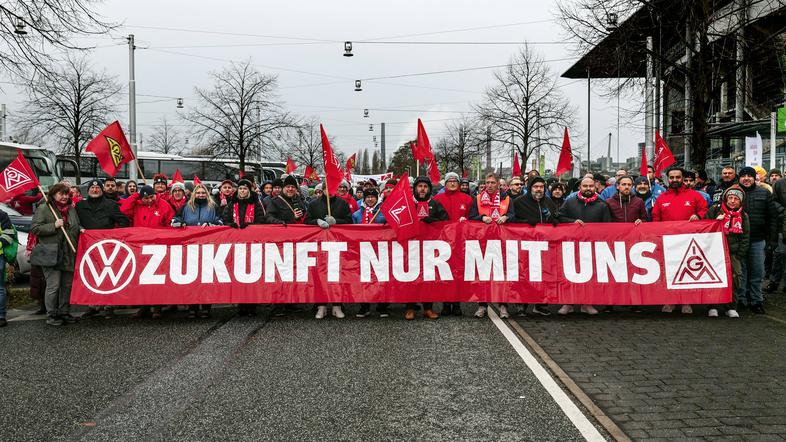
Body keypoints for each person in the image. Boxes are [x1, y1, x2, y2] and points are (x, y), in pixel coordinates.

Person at [652, 167, 708, 314]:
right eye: (672, 177)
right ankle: (669, 301)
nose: (675, 180)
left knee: (687, 273)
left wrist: (699, 216)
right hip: (668, 243)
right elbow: (655, 219)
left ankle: (686, 302)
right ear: (667, 179)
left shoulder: (695, 196)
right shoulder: (662, 198)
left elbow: (705, 210)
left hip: (689, 242)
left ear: (682, 178)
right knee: (669, 273)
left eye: (678, 177)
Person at [75, 179, 130, 320]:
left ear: (102, 190)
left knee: (108, 276)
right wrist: (80, 229)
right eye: (92, 188)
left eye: (97, 188)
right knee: (90, 276)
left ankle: (108, 306)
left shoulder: (110, 205)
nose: (95, 190)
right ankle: (92, 306)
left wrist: (116, 235)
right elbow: (75, 223)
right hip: (88, 248)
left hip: (107, 248)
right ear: (88, 191)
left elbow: (124, 220)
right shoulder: (80, 206)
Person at [557, 177, 609, 315]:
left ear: (595, 187)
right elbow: (559, 217)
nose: (588, 188)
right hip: (572, 245)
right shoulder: (569, 202)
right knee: (569, 275)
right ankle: (568, 303)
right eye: (585, 186)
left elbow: (608, 227)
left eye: (591, 186)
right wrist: (572, 222)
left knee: (590, 276)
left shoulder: (602, 205)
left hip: (592, 246)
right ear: (580, 187)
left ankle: (587, 303)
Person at [31, 183, 81, 327]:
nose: (65, 196)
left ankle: (64, 311)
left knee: (67, 285)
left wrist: (81, 229)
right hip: (51, 253)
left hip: (68, 253)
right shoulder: (44, 208)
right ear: (53, 194)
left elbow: (75, 225)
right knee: (53, 286)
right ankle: (52, 314)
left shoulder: (71, 209)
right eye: (61, 194)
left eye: (67, 194)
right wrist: (54, 226)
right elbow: (35, 228)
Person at [172, 184, 223, 318]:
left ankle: (206, 307)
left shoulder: (213, 207)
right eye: (198, 193)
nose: (200, 195)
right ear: (194, 194)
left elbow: (221, 222)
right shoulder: (185, 207)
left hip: (208, 247)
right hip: (190, 248)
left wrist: (211, 225)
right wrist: (181, 224)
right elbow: (174, 221)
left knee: (207, 278)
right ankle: (192, 307)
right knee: (192, 278)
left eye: (203, 193)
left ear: (207, 194)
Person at [470, 172, 516, 318]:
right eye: (487, 182)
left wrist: (506, 216)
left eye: (492, 183)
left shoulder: (507, 199)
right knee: (483, 275)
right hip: (483, 242)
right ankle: (482, 305)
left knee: (502, 275)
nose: (489, 185)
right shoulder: (477, 199)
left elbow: (514, 215)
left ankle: (503, 306)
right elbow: (472, 216)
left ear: (498, 184)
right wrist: (482, 217)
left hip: (502, 242)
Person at [306, 177, 352, 320]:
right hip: (319, 245)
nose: (330, 191)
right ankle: (321, 306)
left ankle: (337, 305)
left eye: (333, 188)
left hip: (337, 245)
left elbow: (350, 221)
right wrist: (317, 221)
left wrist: (337, 222)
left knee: (337, 275)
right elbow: (307, 221)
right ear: (323, 189)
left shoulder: (343, 204)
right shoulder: (313, 204)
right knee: (319, 275)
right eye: (327, 188)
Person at [512, 176, 557, 317]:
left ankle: (541, 304)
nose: (539, 189)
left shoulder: (548, 202)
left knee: (543, 275)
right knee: (524, 275)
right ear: (530, 188)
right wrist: (526, 222)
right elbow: (512, 221)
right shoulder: (519, 202)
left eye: (541, 187)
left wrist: (556, 221)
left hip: (545, 245)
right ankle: (522, 304)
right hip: (525, 246)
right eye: (536, 186)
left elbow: (555, 216)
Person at [405, 176, 449, 320]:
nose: (422, 189)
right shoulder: (407, 204)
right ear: (415, 188)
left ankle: (428, 308)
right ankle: (410, 308)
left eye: (425, 186)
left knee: (428, 278)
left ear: (429, 189)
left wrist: (430, 221)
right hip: (410, 248)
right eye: (420, 186)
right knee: (410, 278)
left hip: (430, 248)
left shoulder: (435, 204)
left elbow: (446, 223)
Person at [736, 166, 778, 314]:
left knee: (757, 273)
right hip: (738, 241)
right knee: (741, 272)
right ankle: (742, 299)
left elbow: (772, 217)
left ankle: (756, 300)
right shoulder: (733, 193)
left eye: (749, 176)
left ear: (755, 178)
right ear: (739, 178)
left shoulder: (765, 193)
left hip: (758, 240)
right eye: (743, 176)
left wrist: (772, 240)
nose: (746, 178)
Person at [222, 179, 267, 316]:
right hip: (237, 245)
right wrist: (231, 224)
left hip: (252, 245)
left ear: (249, 191)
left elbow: (261, 220)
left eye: (245, 189)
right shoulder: (232, 204)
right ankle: (241, 305)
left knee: (251, 275)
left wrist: (251, 227)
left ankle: (252, 306)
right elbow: (225, 219)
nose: (242, 191)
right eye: (240, 189)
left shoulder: (256, 204)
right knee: (239, 274)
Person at [433, 172, 473, 316]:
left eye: (455, 181)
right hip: (443, 242)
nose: (452, 183)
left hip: (460, 242)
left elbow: (473, 218)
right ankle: (445, 304)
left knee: (458, 273)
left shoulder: (467, 199)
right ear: (445, 183)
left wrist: (466, 222)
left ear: (458, 183)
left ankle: (456, 304)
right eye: (449, 181)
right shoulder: (437, 199)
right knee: (445, 273)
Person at [706, 185, 748, 318]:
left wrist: (740, 253)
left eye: (736, 199)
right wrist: (714, 222)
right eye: (730, 198)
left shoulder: (743, 215)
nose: (732, 201)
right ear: (725, 199)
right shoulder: (715, 210)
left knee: (735, 278)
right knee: (714, 278)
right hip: (715, 251)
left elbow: (745, 236)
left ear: (740, 201)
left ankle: (731, 306)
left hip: (733, 253)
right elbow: (704, 226)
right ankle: (713, 306)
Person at [352, 188, 388, 318]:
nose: (370, 199)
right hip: (362, 251)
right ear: (364, 199)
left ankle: (382, 306)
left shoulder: (382, 212)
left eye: (373, 197)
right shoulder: (356, 215)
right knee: (364, 279)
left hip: (380, 250)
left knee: (381, 279)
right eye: (368, 197)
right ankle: (364, 306)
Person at [0, 206, 15, 327]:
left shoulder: (2, 215)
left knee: (0, 288)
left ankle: (1, 316)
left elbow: (8, 236)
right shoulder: (2, 214)